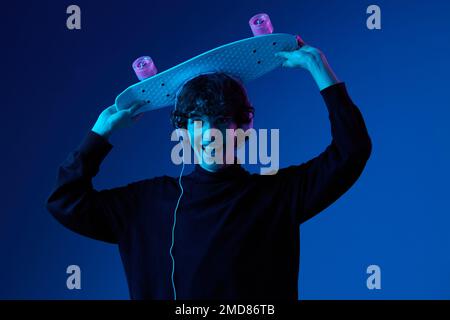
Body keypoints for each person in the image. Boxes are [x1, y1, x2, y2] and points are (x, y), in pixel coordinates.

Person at [46, 41, 372, 300]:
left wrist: (318, 67)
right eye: (198, 123)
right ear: (184, 132)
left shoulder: (278, 195)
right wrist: (99, 134)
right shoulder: (146, 204)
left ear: (245, 125)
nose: (209, 134)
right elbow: (65, 201)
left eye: (219, 120)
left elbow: (351, 151)